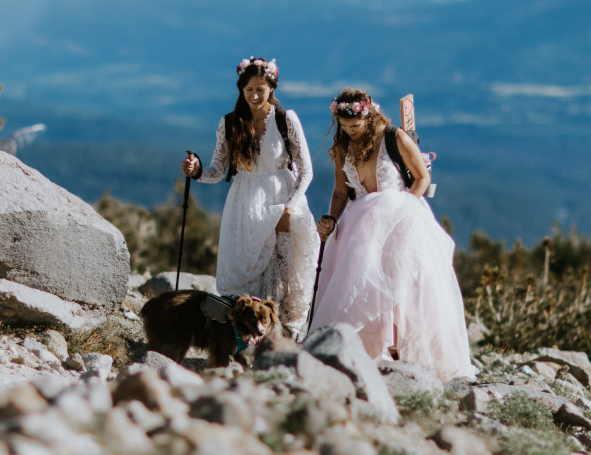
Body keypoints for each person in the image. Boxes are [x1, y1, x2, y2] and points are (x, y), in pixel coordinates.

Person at [308, 88, 476, 380]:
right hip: (360, 229)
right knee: (364, 287)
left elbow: (423, 176)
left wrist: (407, 206)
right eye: (344, 127)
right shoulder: (341, 148)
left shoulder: (393, 137)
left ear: (369, 117)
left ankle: (405, 355)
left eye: (355, 127)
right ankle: (365, 354)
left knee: (403, 286)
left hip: (401, 221)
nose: (350, 132)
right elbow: (340, 191)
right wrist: (331, 220)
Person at [182, 58, 317, 338]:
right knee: (247, 274)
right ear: (241, 90)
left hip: (281, 199)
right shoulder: (230, 123)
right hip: (244, 205)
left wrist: (289, 209)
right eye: (249, 90)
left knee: (284, 273)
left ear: (271, 89)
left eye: (261, 90)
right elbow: (218, 170)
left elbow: (306, 171)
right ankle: (245, 336)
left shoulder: (285, 119)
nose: (255, 96)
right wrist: (197, 173)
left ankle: (283, 337)